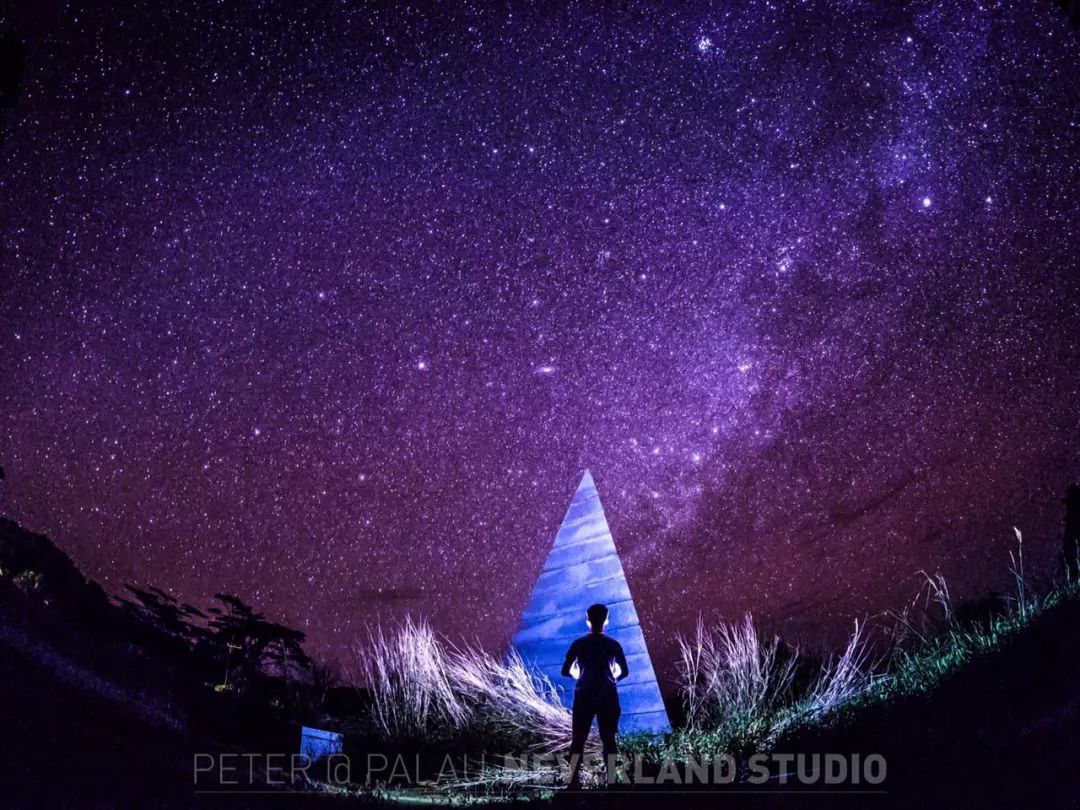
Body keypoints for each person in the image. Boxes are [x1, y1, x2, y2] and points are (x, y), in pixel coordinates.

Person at [561, 602, 629, 789]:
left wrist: (580, 676)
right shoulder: (613, 644)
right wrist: (611, 678)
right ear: (606, 620)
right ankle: (612, 782)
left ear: (587, 620)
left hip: (584, 695)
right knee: (609, 740)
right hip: (607, 695)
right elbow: (625, 671)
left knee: (578, 740)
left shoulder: (578, 644)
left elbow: (565, 670)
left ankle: (574, 783)